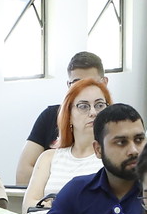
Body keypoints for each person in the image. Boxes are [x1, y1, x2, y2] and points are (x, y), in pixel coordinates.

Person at [34, 104, 146, 214]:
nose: (133, 150)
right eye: (121, 142)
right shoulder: (79, 191)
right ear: (98, 149)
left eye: (139, 140)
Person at [16, 51, 106, 185]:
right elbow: (23, 173)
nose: (84, 89)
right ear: (68, 85)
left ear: (104, 83)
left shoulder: (116, 120)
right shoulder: (50, 116)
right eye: (77, 83)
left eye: (91, 83)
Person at [26, 77, 111, 213]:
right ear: (69, 115)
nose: (93, 112)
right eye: (83, 106)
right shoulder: (48, 158)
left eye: (99, 105)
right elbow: (28, 206)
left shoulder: (112, 157)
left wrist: (57, 206)